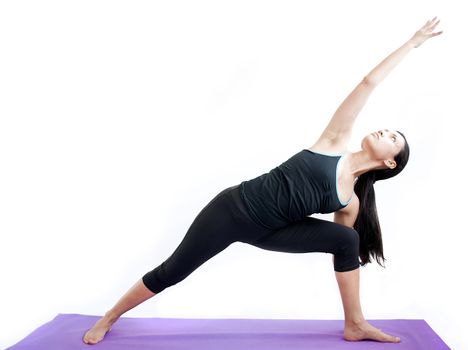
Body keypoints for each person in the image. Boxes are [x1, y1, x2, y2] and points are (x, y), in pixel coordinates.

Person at [83, 17, 442, 345]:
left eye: (393, 138)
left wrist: (350, 254)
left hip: (270, 231)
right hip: (232, 210)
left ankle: (356, 323)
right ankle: (110, 316)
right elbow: (368, 82)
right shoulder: (334, 141)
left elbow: (341, 249)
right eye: (390, 130)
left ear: (389, 161)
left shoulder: (350, 201)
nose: (386, 131)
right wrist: (411, 43)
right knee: (172, 271)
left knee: (348, 238)